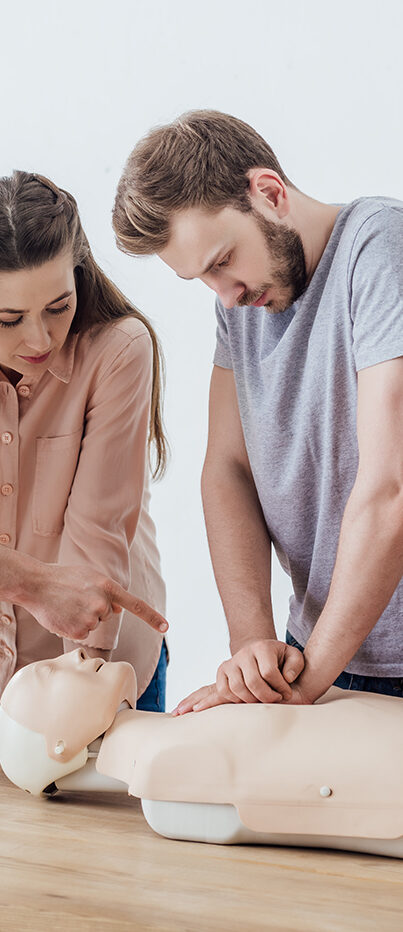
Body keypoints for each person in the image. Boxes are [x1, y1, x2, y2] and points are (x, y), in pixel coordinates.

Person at [111, 110, 403, 711]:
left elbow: (391, 488)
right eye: (202, 279)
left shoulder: (379, 249)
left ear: (269, 193)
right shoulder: (241, 304)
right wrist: (253, 650)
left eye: (222, 261)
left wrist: (300, 685)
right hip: (316, 654)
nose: (225, 293)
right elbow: (227, 469)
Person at [0, 171, 168, 710]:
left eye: (57, 307)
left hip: (109, 666)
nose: (39, 339)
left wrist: (86, 679)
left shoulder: (117, 350)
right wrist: (30, 581)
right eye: (8, 318)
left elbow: (97, 530)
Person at [1, 649, 402, 859]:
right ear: (58, 747)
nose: (72, 656)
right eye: (48, 673)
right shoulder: (162, 771)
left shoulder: (170, 742)